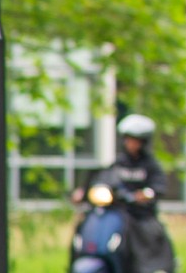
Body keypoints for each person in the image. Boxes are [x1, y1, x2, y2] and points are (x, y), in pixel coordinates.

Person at [71, 114, 174, 273]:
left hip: (138, 214)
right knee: (83, 226)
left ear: (143, 142)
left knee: (144, 235)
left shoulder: (150, 165)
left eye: (134, 139)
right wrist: (83, 192)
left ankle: (148, 268)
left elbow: (158, 186)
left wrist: (146, 194)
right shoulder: (118, 163)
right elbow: (102, 179)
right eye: (128, 139)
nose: (130, 143)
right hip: (116, 211)